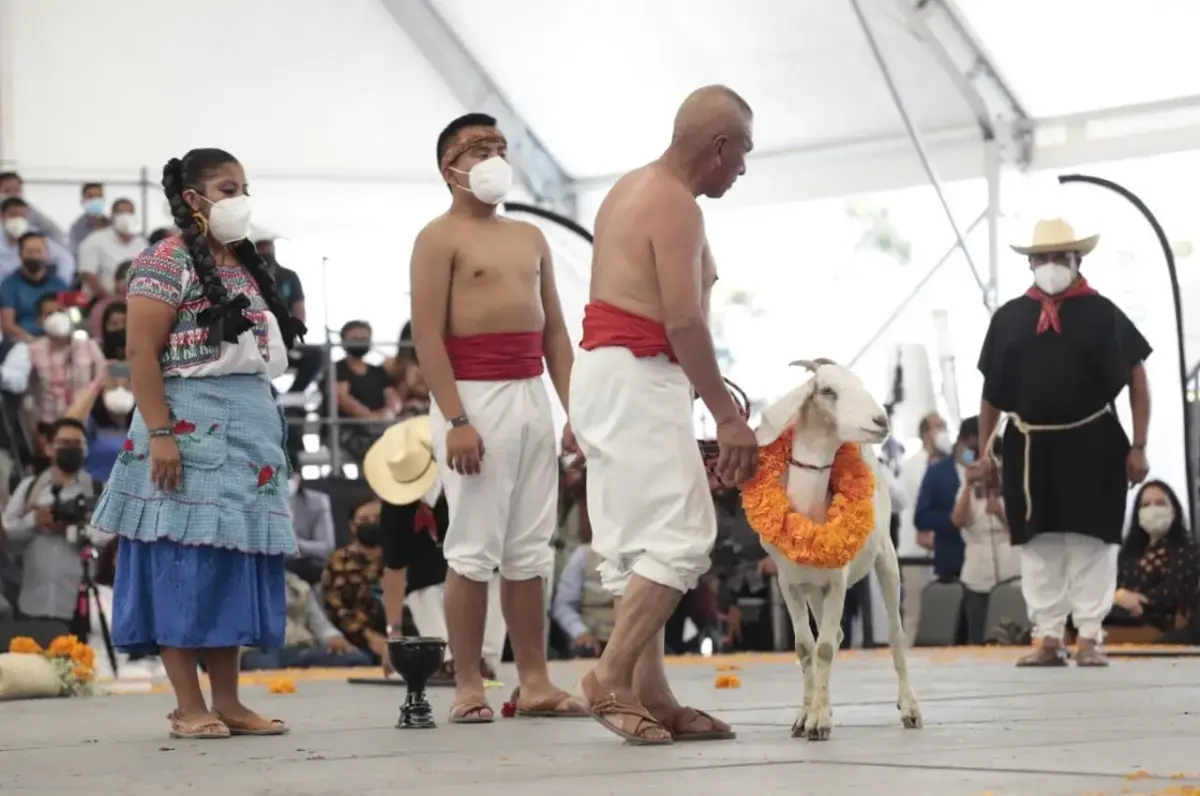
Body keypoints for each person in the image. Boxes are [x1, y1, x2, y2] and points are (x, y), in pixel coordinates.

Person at [90, 149, 306, 738]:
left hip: (250, 425)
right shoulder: (163, 259)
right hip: (183, 423)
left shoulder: (243, 263)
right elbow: (140, 355)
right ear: (194, 199)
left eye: (244, 187)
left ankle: (230, 702)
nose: (240, 198)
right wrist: (160, 433)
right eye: (227, 188)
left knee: (232, 558)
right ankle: (189, 705)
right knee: (181, 559)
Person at [568, 85, 758, 745]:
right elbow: (681, 318)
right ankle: (607, 676)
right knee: (681, 535)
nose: (742, 168)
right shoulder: (675, 203)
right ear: (718, 147)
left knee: (636, 544)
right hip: (637, 373)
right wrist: (727, 415)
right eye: (742, 154)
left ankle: (651, 691)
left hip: (611, 373)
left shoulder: (630, 187)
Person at [409, 112, 581, 723]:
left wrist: (572, 410)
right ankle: (468, 686)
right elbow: (427, 337)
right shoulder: (437, 237)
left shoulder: (530, 237)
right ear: (448, 167)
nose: (491, 156)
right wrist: (456, 418)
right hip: (471, 396)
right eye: (477, 147)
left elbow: (555, 329)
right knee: (473, 547)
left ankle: (533, 681)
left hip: (532, 391)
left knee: (531, 549)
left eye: (499, 146)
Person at [977, 218, 1151, 667]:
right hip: (1029, 448)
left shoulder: (1104, 312)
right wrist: (983, 453)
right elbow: (991, 393)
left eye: (1062, 257)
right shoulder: (1010, 318)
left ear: (1079, 260)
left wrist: (1140, 444)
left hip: (1095, 441)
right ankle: (1049, 636)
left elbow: (1137, 377)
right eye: (1044, 258)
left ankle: (1091, 635)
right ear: (1030, 262)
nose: (1052, 265)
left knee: (1092, 541)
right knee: (1038, 543)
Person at [366, 415, 506, 684]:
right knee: (422, 589)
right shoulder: (396, 505)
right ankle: (443, 658)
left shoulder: (466, 477)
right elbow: (394, 569)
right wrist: (393, 634)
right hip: (428, 567)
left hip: (479, 553)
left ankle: (484, 659)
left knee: (493, 574)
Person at [1, 418, 102, 621]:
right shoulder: (31, 487)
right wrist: (34, 520)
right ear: (49, 448)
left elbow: (106, 537)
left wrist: (70, 527)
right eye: (64, 443)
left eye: (77, 444)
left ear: (86, 449)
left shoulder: (98, 490)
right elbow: (6, 534)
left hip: (79, 605)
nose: (70, 449)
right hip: (32, 602)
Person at [950, 436, 1019, 644]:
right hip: (977, 574)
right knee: (977, 635)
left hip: (1011, 571)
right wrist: (969, 486)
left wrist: (999, 513)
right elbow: (958, 520)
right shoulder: (967, 488)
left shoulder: (1013, 488)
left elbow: (1022, 532)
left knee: (1011, 634)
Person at [1108, 481, 1199, 636]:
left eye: (1160, 503)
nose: (1152, 509)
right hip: (1117, 613)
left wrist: (1137, 600)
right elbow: (1106, 585)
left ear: (1174, 510)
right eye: (1145, 505)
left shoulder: (1189, 549)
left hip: (1156, 619)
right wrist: (1118, 596)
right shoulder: (1127, 552)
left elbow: (1174, 590)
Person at [321, 497, 389, 660]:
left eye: (378, 519)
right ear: (352, 525)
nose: (372, 523)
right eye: (365, 519)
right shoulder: (338, 562)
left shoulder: (399, 562)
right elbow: (339, 611)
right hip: (357, 639)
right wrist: (371, 638)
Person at [914, 416, 978, 585]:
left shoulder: (985, 471)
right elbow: (921, 517)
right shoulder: (937, 472)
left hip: (982, 560)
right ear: (960, 442)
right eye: (971, 448)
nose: (973, 454)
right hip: (951, 561)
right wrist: (951, 520)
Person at [0, 233, 70, 341]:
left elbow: (70, 317)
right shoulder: (9, 285)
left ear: (47, 254)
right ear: (20, 255)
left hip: (57, 341)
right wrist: (31, 340)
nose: (35, 256)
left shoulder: (60, 284)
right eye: (30, 252)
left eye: (39, 251)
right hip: (22, 342)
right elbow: (7, 324)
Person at [77, 198, 149, 298]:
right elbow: (88, 276)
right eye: (121, 212)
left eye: (129, 212)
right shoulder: (94, 240)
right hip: (99, 301)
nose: (125, 216)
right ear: (112, 216)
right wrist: (109, 300)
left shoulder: (141, 243)